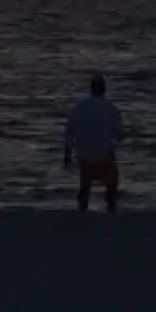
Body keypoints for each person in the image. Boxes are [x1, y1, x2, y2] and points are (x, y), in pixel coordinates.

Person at [64, 74, 124, 212]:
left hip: (83, 151)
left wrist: (67, 153)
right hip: (103, 151)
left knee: (86, 180)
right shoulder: (110, 108)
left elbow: (69, 131)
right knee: (112, 179)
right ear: (104, 90)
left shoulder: (79, 107)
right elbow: (118, 135)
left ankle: (83, 206)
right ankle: (111, 205)